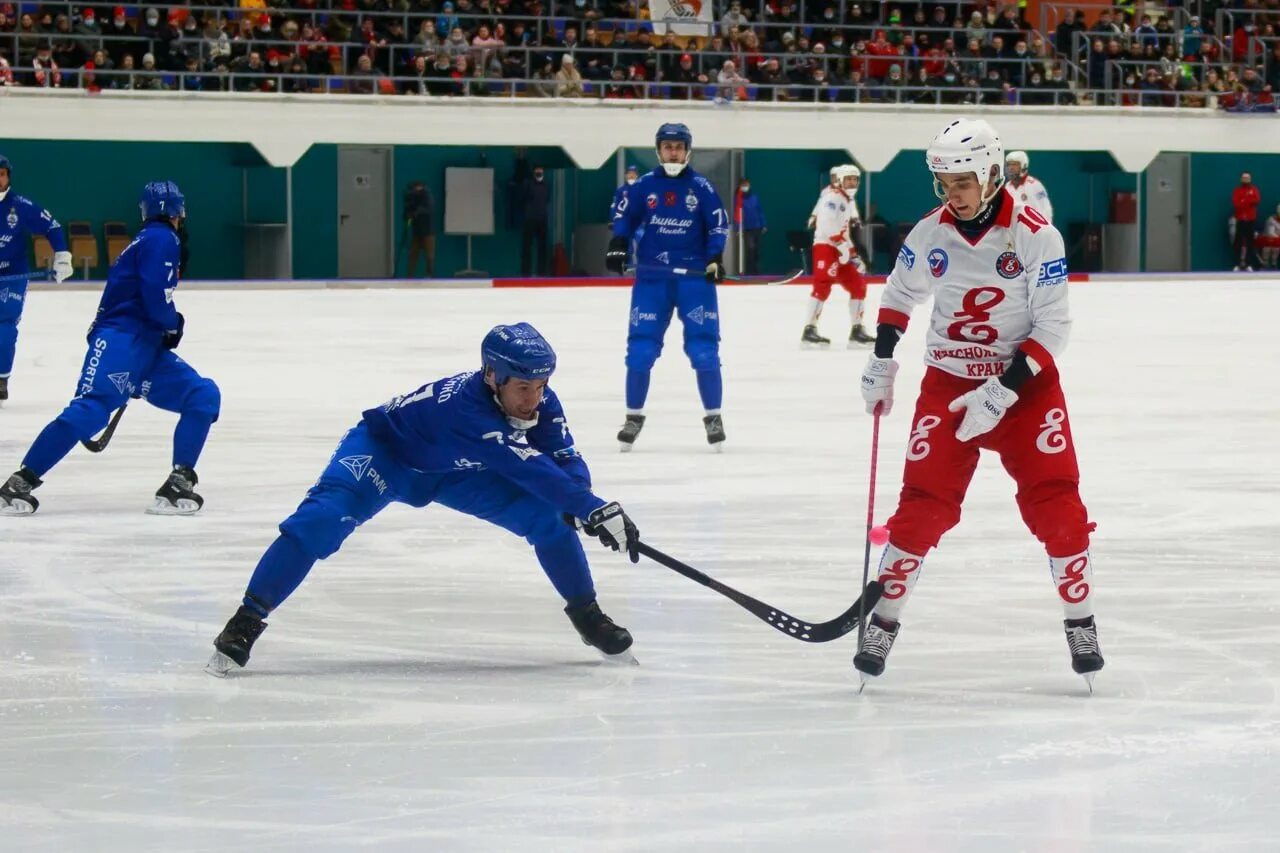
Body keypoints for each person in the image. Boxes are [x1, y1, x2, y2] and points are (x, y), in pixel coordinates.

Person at [206, 323, 641, 674]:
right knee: (319, 522)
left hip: (455, 472)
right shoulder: (466, 411)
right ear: (493, 376)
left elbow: (563, 460)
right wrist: (590, 508)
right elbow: (528, 468)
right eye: (523, 388)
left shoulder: (540, 402)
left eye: (541, 385)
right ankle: (247, 618)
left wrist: (585, 505)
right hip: (385, 455)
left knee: (551, 517)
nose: (534, 399)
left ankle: (588, 616)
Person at [857, 118, 1103, 690]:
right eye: (943, 183)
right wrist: (882, 358)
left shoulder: (1037, 234)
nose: (952, 194)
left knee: (1057, 507)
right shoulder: (930, 232)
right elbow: (899, 295)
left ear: (992, 174)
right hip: (947, 384)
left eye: (962, 182)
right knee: (922, 504)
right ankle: (883, 621)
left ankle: (1081, 622)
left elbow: (1054, 327)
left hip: (1026, 390)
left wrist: (1002, 390)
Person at [0, 181, 220, 516]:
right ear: (177, 211)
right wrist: (173, 322)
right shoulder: (163, 239)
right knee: (91, 409)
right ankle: (20, 481)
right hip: (122, 341)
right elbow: (153, 295)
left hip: (141, 344)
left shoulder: (147, 239)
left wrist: (164, 327)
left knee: (202, 395)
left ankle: (180, 480)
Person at [606, 123, 730, 452]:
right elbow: (624, 219)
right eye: (667, 146)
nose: (672, 152)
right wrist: (618, 243)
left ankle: (713, 416)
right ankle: (633, 417)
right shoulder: (643, 186)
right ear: (658, 150)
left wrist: (716, 256)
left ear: (687, 150)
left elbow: (718, 225)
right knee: (640, 352)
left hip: (694, 279)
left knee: (704, 352)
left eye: (678, 146)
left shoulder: (702, 187)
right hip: (651, 278)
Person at [0, 154, 74, 403]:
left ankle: (1, 379)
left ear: (8, 177)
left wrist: (62, 255)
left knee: (4, 327)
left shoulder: (20, 206)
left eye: (2, 174)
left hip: (12, 275)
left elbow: (51, 226)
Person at [801, 164, 872, 348]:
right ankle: (809, 330)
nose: (852, 182)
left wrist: (854, 255)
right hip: (826, 247)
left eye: (855, 179)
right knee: (822, 284)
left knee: (858, 286)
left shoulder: (847, 200)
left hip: (839, 249)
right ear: (840, 180)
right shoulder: (832, 197)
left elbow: (844, 231)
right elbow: (825, 223)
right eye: (848, 179)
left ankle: (857, 331)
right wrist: (840, 245)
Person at [1004, 151, 1054, 224]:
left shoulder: (1035, 185)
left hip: (1034, 229)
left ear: (1023, 165)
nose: (1011, 168)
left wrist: (1045, 230)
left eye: (1015, 164)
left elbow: (1046, 209)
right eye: (1009, 165)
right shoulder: (1007, 186)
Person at [609, 164, 641, 273]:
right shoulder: (620, 190)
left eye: (633, 174)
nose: (631, 176)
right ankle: (628, 266)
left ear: (637, 175)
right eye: (629, 174)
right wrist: (614, 219)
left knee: (642, 240)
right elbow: (614, 206)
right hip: (625, 221)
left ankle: (644, 267)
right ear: (626, 175)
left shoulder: (641, 189)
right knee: (626, 244)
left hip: (638, 222)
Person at [521, 165, 551, 276]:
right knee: (527, 247)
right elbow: (523, 198)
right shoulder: (528, 184)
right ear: (533, 172)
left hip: (542, 219)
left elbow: (547, 199)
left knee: (542, 248)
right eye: (537, 171)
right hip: (530, 219)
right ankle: (526, 274)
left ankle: (541, 273)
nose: (539, 173)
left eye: (541, 171)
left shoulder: (546, 185)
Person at [734, 176, 767, 276]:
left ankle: (756, 270)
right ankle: (750, 271)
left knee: (756, 250)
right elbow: (737, 213)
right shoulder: (738, 198)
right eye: (743, 185)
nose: (745, 187)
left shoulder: (754, 197)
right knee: (750, 249)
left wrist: (764, 224)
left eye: (746, 185)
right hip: (747, 228)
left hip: (757, 227)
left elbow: (760, 211)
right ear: (740, 186)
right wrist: (738, 227)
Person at [403, 180, 435, 277]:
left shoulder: (426, 196)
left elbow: (428, 209)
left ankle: (429, 274)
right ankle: (410, 276)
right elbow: (407, 212)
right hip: (416, 231)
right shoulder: (412, 198)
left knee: (429, 255)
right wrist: (408, 216)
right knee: (413, 254)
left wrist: (416, 212)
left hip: (428, 230)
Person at [1232, 172, 1261, 271]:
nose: (1246, 179)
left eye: (1247, 178)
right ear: (1241, 179)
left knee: (1250, 243)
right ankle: (1237, 264)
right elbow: (1236, 203)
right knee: (1238, 243)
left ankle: (1249, 264)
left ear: (1250, 179)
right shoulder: (1237, 191)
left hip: (1251, 220)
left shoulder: (1254, 190)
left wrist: (1244, 200)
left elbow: (1256, 200)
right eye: (1244, 178)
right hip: (1240, 220)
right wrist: (1247, 201)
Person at [1256, 203, 1280, 270]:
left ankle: (1273, 263)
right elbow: (1270, 233)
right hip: (1268, 241)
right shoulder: (1271, 220)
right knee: (1272, 244)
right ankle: (1266, 263)